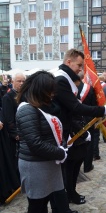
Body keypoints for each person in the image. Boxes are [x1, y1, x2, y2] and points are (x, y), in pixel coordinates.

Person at [53, 48, 106, 206]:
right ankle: (66, 198)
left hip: (72, 129)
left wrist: (81, 130)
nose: (81, 68)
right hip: (63, 132)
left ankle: (72, 193)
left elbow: (72, 110)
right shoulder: (61, 79)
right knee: (67, 169)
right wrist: (102, 110)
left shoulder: (66, 78)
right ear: (68, 62)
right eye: (79, 65)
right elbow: (74, 107)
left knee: (75, 165)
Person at [15, 71, 68, 213]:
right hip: (35, 165)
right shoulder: (27, 110)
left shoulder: (38, 106)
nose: (52, 94)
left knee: (45, 200)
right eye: (50, 91)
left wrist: (62, 144)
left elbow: (50, 132)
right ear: (41, 89)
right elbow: (35, 143)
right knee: (37, 205)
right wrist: (60, 152)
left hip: (46, 161)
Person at [2, 72, 26, 169]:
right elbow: (8, 118)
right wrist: (15, 133)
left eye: (23, 81)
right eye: (19, 81)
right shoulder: (8, 97)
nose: (21, 83)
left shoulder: (25, 95)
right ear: (12, 82)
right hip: (15, 136)